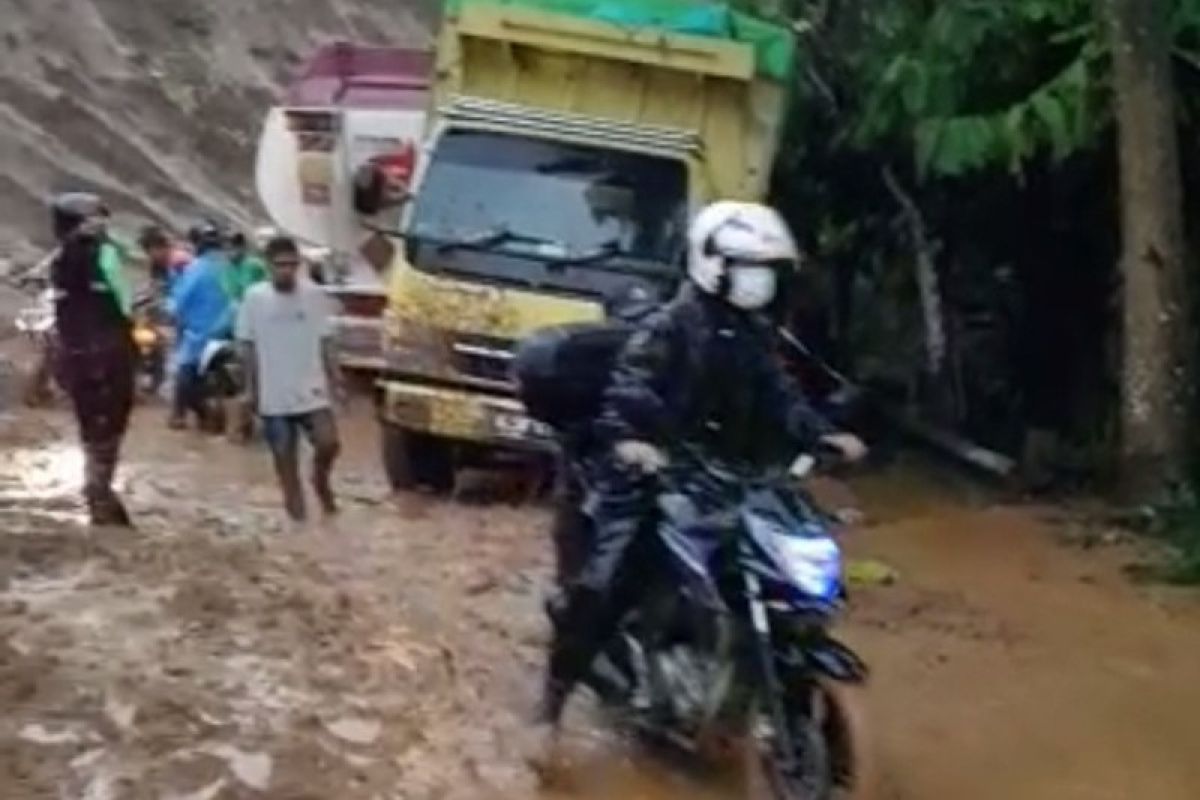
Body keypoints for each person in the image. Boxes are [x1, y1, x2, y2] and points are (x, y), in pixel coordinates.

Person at [538, 201, 867, 727]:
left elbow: (781, 398)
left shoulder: (753, 335)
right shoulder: (671, 328)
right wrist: (631, 442)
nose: (763, 284)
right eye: (753, 271)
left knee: (781, 552)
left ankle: (738, 667)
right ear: (714, 266)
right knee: (606, 583)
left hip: (719, 475)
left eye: (769, 273)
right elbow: (629, 388)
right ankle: (553, 700)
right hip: (646, 471)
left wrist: (825, 434)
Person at [237, 235, 344, 523]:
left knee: (329, 443)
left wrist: (336, 380)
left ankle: (320, 481)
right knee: (285, 462)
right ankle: (299, 524)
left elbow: (327, 341)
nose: (286, 271)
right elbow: (246, 345)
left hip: (311, 388)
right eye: (280, 265)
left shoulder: (314, 295)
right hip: (274, 393)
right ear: (268, 266)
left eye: (291, 265)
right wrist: (249, 390)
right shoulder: (254, 298)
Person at [47, 193, 137, 527]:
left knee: (89, 423)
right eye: (95, 218)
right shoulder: (106, 253)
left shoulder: (58, 262)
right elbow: (124, 303)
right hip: (109, 351)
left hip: (75, 354)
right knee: (112, 422)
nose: (101, 224)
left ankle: (96, 485)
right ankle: (98, 488)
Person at [167, 220, 232, 430]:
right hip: (232, 333)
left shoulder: (195, 269)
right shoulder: (230, 267)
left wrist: (172, 311)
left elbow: (179, 301)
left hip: (200, 336)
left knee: (183, 367)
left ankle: (179, 416)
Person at [138, 225, 192, 299]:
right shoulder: (157, 264)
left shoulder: (179, 260)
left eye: (149, 249)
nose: (149, 255)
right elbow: (154, 284)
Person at [224, 232, 269, 306]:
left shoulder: (255, 265)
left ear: (242, 247)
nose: (229, 253)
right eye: (227, 249)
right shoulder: (227, 270)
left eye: (232, 248)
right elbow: (231, 294)